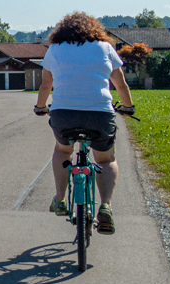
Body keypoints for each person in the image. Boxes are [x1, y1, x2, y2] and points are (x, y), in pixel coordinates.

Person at [33, 12, 135, 234]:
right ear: (94, 29)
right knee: (106, 159)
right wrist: (127, 107)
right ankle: (106, 206)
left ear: (61, 30)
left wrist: (40, 107)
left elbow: (45, 86)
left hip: (63, 114)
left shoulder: (55, 49)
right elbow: (121, 84)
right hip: (99, 113)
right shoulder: (105, 47)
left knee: (62, 151)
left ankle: (60, 199)